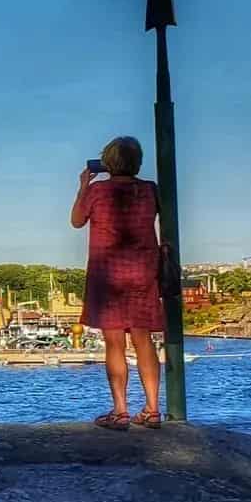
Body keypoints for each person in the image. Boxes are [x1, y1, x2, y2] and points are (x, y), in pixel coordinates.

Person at [71, 135, 163, 429]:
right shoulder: (150, 190)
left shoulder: (98, 191)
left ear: (108, 162)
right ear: (137, 162)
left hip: (107, 273)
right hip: (143, 270)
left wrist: (83, 185)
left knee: (114, 343)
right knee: (144, 340)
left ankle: (120, 410)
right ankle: (152, 409)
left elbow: (76, 220)